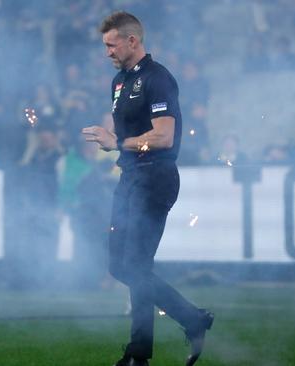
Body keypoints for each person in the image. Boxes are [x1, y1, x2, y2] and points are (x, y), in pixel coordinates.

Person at [82, 11, 213, 366]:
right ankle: (190, 321)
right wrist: (117, 144)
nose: (107, 52)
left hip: (155, 179)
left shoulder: (159, 79)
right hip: (130, 178)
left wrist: (117, 141)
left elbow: (164, 136)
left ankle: (141, 353)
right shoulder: (119, 82)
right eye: (105, 46)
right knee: (122, 267)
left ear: (132, 41)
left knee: (134, 266)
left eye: (111, 45)